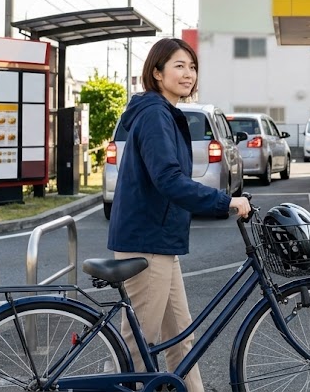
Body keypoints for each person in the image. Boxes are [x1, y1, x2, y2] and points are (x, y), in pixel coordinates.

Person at [107, 37, 251, 392]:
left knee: (181, 340)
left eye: (192, 67)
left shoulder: (165, 112)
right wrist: (224, 201)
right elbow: (169, 179)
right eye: (178, 66)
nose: (188, 74)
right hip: (145, 242)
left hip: (161, 242)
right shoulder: (155, 114)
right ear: (157, 73)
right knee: (137, 348)